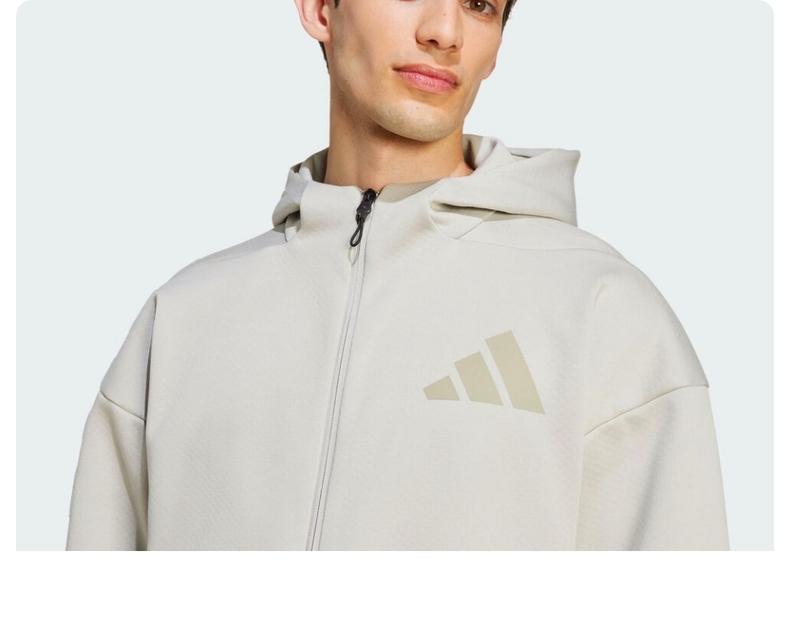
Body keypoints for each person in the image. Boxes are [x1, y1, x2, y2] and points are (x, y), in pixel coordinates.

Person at [66, 0, 729, 550]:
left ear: (496, 47)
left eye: (480, 5)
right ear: (319, 10)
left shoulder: (600, 311)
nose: (444, 31)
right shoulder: (183, 319)